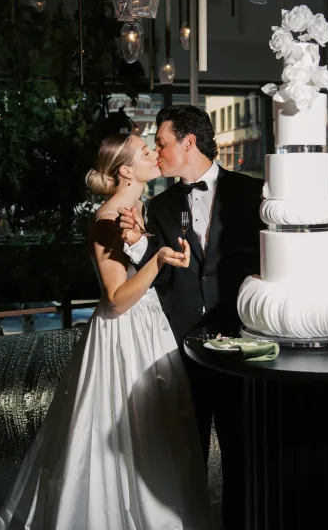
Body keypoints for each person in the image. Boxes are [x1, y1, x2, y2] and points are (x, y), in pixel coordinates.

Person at [0, 133, 212, 530]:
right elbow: (116, 298)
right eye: (146, 152)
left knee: (155, 434)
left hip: (149, 329)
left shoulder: (140, 209)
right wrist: (160, 259)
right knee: (122, 435)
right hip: (123, 336)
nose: (154, 154)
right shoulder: (109, 219)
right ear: (127, 170)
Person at [118, 104, 264, 530]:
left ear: (189, 142)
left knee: (242, 452)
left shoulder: (251, 193)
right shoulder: (159, 205)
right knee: (185, 454)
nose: (157, 152)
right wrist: (132, 243)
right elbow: (150, 262)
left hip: (241, 346)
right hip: (180, 348)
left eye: (161, 144)